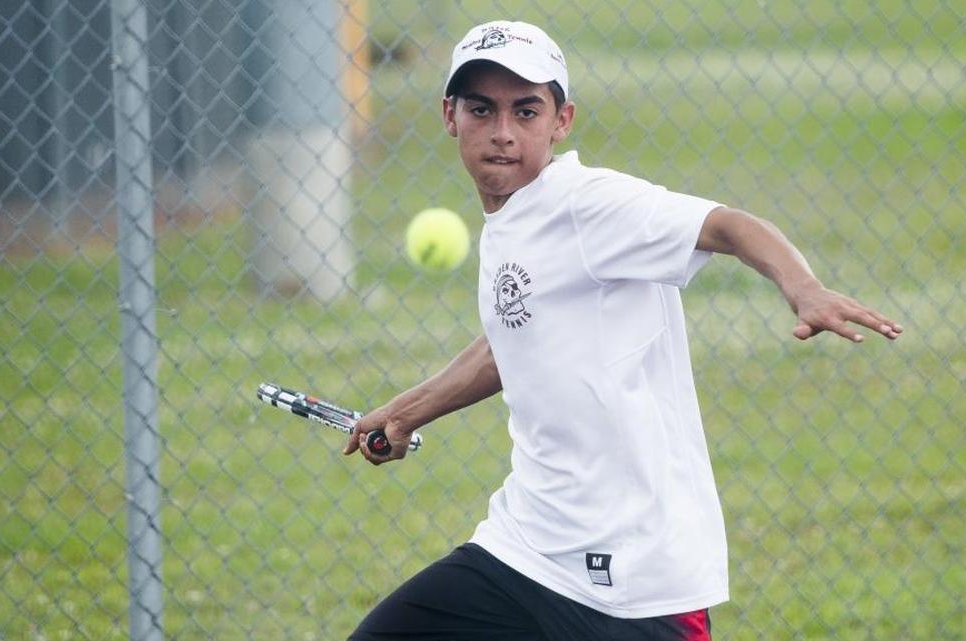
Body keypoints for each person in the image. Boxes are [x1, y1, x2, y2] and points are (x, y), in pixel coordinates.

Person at [343, 20, 903, 641]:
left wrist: (804, 288)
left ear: (562, 121)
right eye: (482, 109)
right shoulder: (514, 219)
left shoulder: (590, 205)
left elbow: (728, 225)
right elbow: (519, 330)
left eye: (526, 111)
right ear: (451, 115)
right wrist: (408, 411)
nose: (502, 133)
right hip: (529, 547)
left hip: (637, 578)